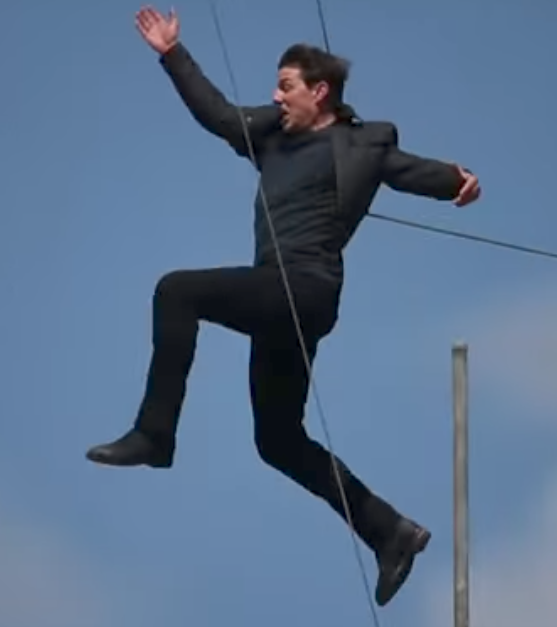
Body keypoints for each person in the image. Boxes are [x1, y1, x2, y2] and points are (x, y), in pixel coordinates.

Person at [86, 5, 482, 607]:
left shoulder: (363, 143)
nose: (276, 96)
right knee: (276, 439)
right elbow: (217, 113)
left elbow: (414, 172)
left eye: (287, 86)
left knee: (177, 290)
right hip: (276, 292)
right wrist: (171, 53)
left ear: (320, 92)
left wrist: (459, 182)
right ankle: (390, 531)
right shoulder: (270, 137)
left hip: (309, 289)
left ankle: (154, 434)